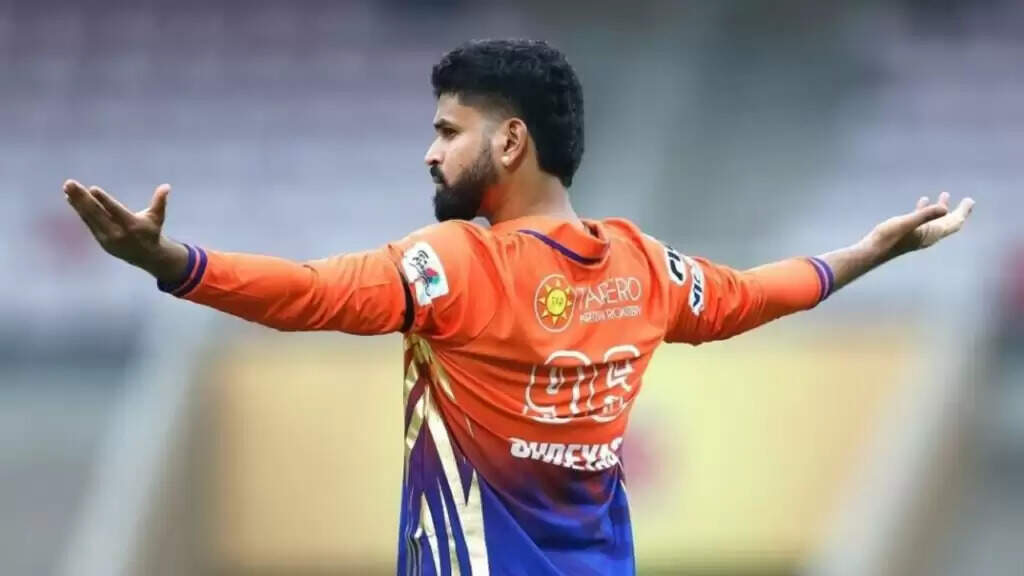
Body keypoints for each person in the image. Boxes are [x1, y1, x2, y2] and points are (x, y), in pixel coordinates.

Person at [63, 39, 974, 576]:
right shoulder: (642, 266)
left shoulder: (457, 265)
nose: (430, 153)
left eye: (446, 131)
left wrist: (174, 262)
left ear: (509, 141)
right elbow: (753, 295)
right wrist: (870, 252)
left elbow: (311, 294)